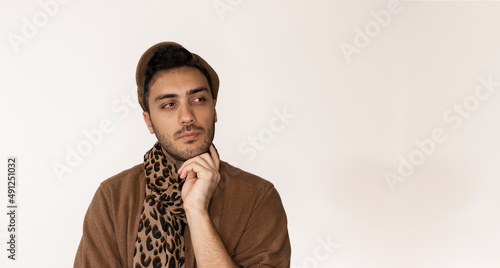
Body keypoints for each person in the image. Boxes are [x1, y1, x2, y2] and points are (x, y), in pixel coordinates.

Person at [74, 41, 291, 268]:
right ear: (148, 121)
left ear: (214, 109)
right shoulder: (114, 198)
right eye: (169, 104)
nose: (187, 116)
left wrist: (197, 212)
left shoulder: (257, 198)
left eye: (198, 100)